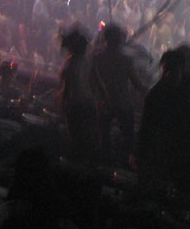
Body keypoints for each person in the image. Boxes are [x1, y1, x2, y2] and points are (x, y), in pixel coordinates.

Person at [136, 46, 190, 192]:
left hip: (185, 146)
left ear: (181, 69)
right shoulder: (156, 93)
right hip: (165, 147)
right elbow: (146, 124)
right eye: (165, 70)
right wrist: (141, 151)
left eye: (172, 70)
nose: (168, 74)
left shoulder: (189, 87)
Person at [92, 23, 143, 166]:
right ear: (119, 39)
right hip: (123, 103)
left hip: (104, 103)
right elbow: (136, 83)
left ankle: (104, 163)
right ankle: (123, 164)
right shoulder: (126, 59)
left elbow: (92, 82)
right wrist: (146, 91)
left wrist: (100, 98)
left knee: (104, 136)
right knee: (127, 137)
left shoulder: (97, 57)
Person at [58, 25, 99, 163]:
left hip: (76, 107)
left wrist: (62, 104)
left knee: (75, 139)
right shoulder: (89, 62)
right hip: (90, 106)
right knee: (86, 140)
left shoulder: (70, 64)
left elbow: (67, 89)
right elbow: (96, 84)